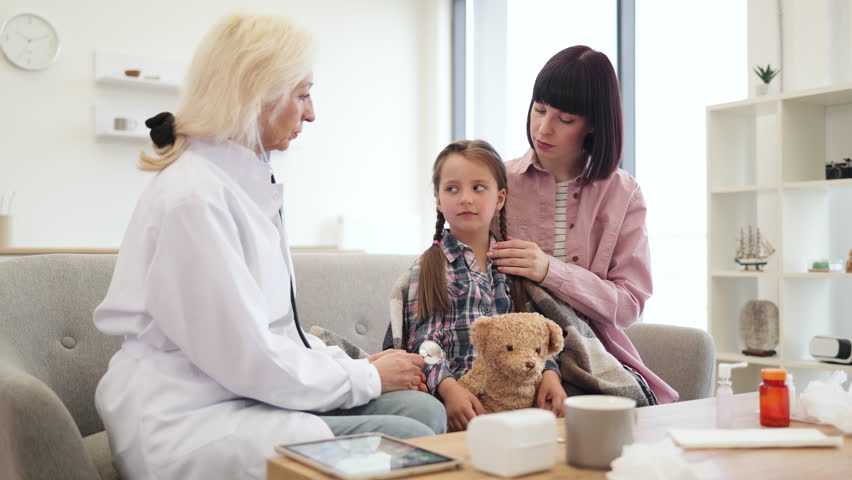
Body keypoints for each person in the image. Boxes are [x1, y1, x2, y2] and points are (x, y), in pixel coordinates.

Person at [93, 13, 445, 480]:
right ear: (257, 93)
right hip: (194, 416)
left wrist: (355, 364)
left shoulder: (243, 184)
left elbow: (276, 336)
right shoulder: (193, 199)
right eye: (303, 93)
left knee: (423, 412)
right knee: (416, 438)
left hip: (244, 392)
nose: (312, 112)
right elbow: (248, 357)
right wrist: (366, 376)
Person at [488, 46, 678, 404]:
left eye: (565, 119)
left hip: (592, 354)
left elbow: (628, 306)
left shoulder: (624, 195)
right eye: (539, 110)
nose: (543, 128)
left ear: (593, 123)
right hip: (510, 351)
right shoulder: (500, 181)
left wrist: (549, 270)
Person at [405, 140, 568, 432]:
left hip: (518, 398)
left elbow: (536, 335)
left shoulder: (513, 264)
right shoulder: (429, 266)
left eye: (478, 187)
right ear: (439, 201)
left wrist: (550, 376)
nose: (465, 198)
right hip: (460, 401)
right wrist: (450, 389)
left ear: (500, 198)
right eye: (452, 189)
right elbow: (424, 343)